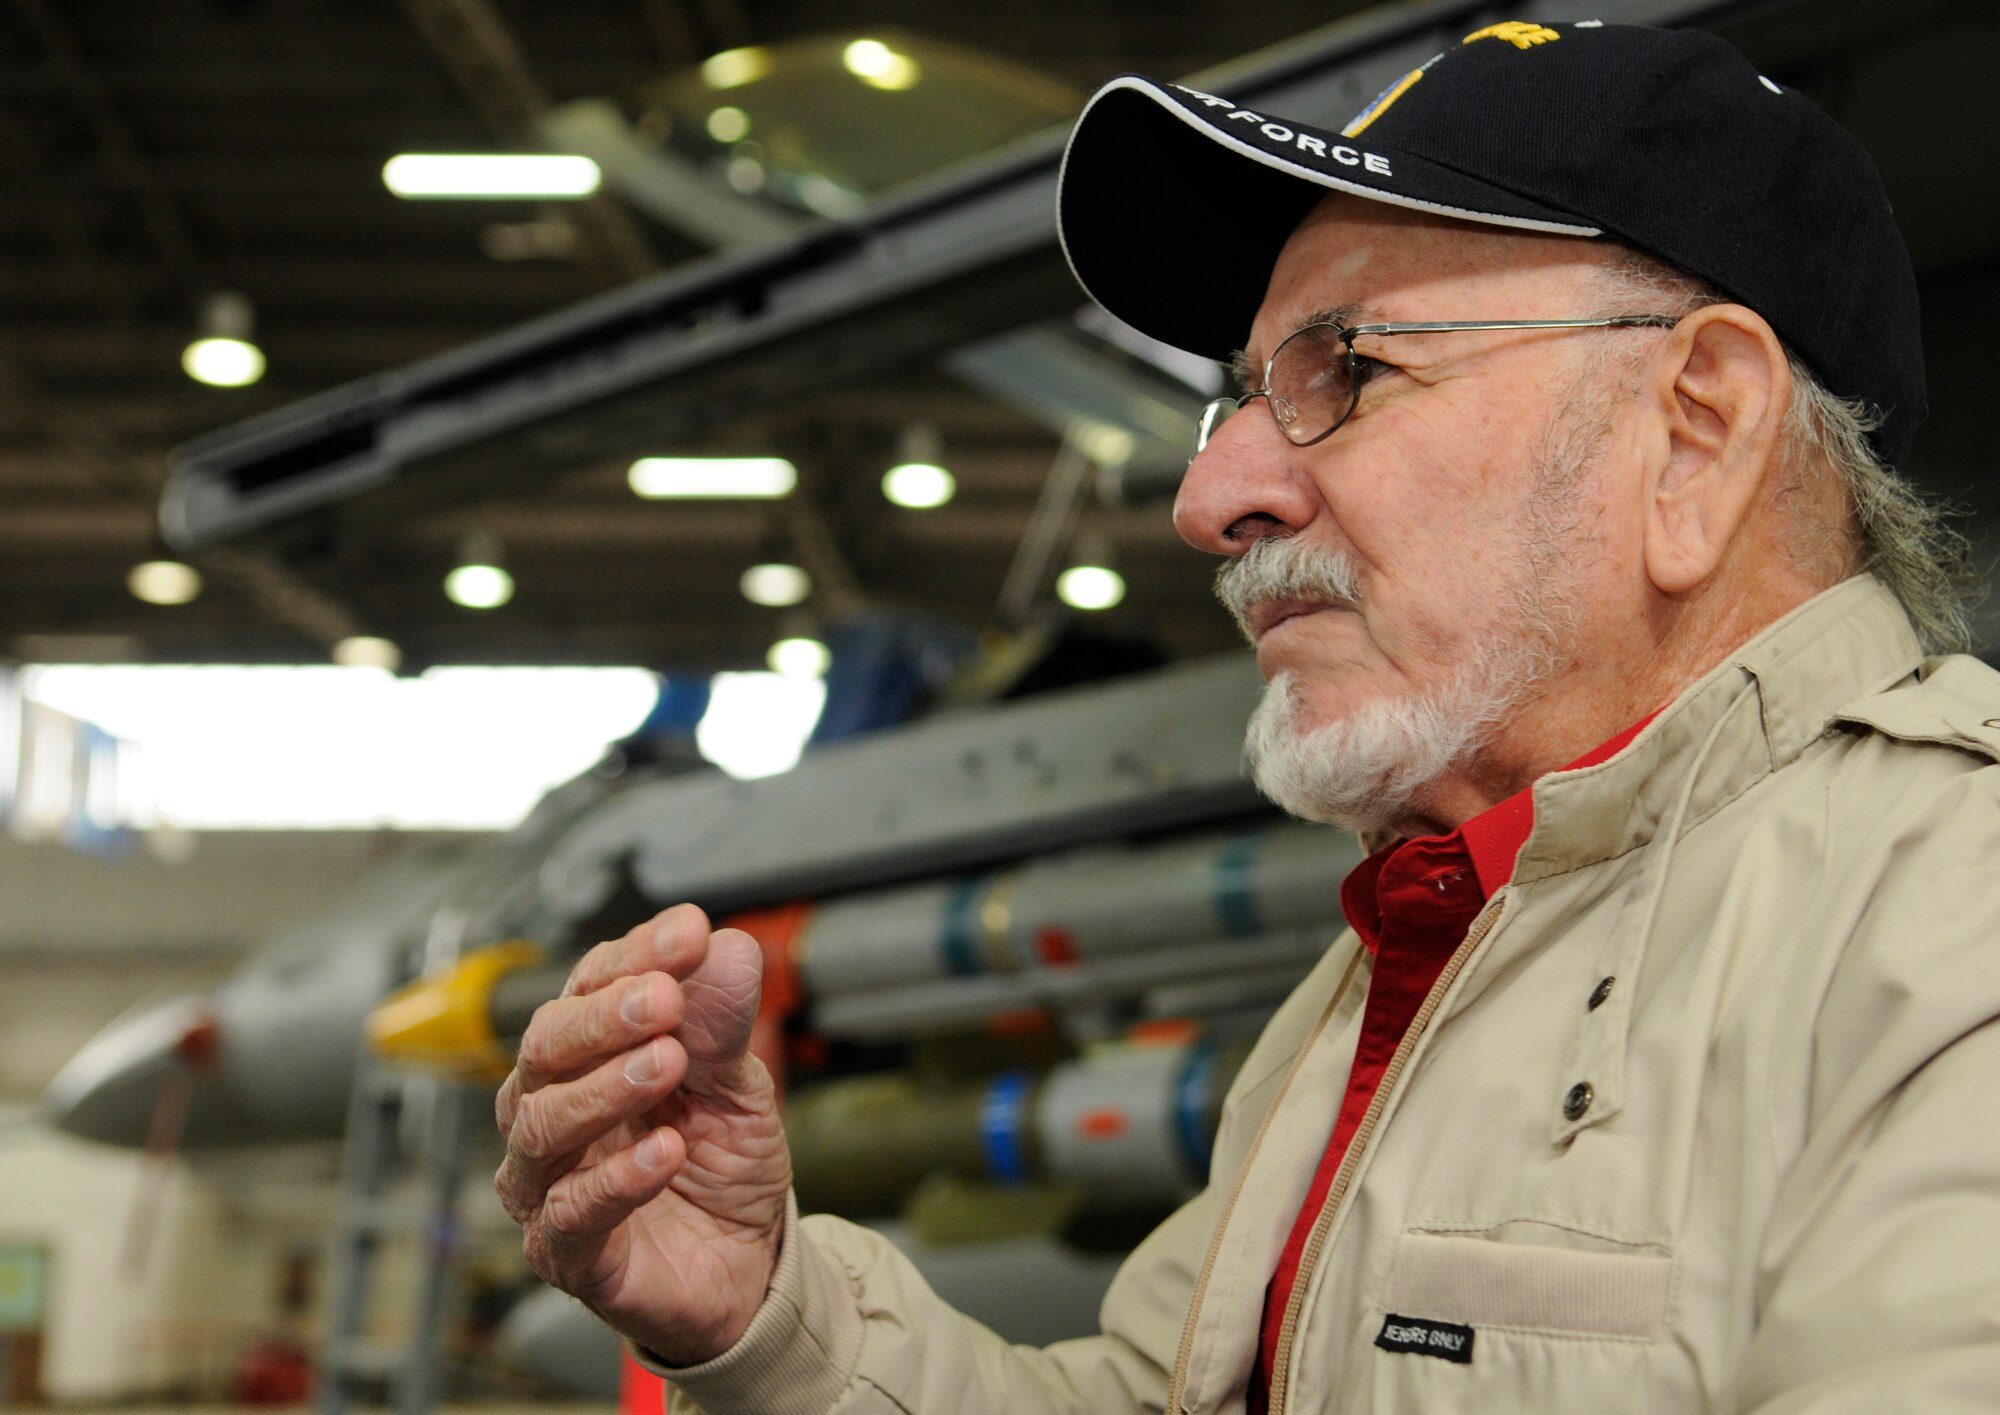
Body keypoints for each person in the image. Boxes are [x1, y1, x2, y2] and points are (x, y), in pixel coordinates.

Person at [492, 20, 2000, 1412]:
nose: (1212, 499)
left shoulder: (1949, 928)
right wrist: (766, 1315)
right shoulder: (1400, 966)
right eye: (1238, 404)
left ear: (1699, 429)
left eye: (1349, 369)